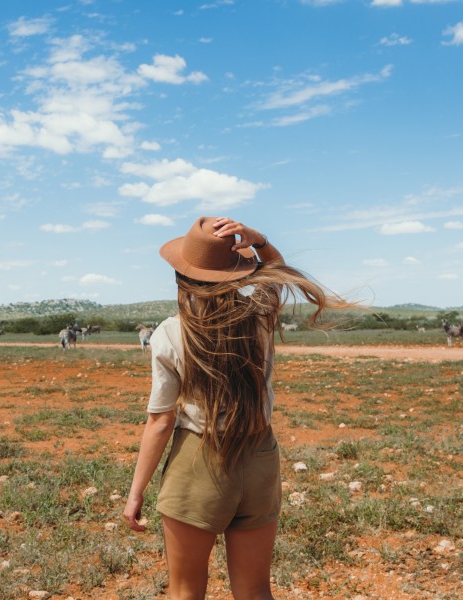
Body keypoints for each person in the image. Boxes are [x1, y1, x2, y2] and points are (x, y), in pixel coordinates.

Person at [123, 216, 353, 600]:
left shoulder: (170, 333)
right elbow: (278, 276)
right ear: (238, 274)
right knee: (254, 592)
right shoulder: (260, 317)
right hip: (260, 456)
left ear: (183, 279)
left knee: (185, 590)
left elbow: (161, 422)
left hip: (198, 463)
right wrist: (261, 241)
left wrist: (135, 492)